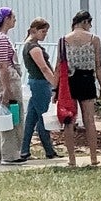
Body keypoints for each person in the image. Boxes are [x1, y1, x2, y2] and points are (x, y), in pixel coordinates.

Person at [58, 11, 101, 167]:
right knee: (89, 120)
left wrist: (55, 88)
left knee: (69, 120)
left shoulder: (63, 40)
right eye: (89, 24)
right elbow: (98, 65)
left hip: (70, 81)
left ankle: (72, 159)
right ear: (85, 22)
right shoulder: (94, 39)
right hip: (87, 79)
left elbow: (59, 67)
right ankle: (93, 157)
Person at [0, 8, 23, 166]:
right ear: (6, 18)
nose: (15, 19)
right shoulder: (1, 38)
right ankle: (10, 154)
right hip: (6, 78)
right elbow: (3, 66)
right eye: (13, 17)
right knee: (11, 113)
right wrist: (7, 89)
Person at [19, 17, 59, 160]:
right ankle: (49, 150)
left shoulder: (28, 45)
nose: (45, 34)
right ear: (34, 30)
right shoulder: (34, 47)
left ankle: (24, 150)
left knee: (31, 119)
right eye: (43, 31)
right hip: (41, 84)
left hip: (35, 83)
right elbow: (44, 68)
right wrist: (55, 83)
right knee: (44, 117)